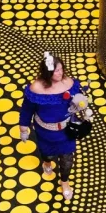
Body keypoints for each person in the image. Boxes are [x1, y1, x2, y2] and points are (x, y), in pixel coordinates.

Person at [19, 52, 90, 201]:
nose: (60, 73)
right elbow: (27, 109)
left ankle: (64, 182)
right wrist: (23, 128)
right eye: (56, 70)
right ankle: (46, 162)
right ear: (48, 72)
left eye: (61, 69)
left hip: (66, 132)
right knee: (47, 154)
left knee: (67, 159)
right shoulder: (36, 87)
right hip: (45, 131)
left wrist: (80, 104)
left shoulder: (69, 83)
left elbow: (76, 102)